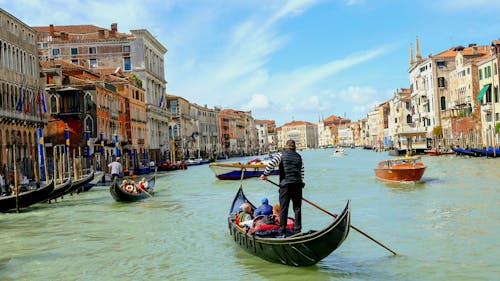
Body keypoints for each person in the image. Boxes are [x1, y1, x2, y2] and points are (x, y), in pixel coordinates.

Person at [261, 139, 304, 237]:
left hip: (285, 186)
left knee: (284, 208)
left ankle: (282, 231)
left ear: (286, 146)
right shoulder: (299, 157)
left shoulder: (281, 154)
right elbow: (302, 173)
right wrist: (300, 183)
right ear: (294, 147)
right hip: (298, 185)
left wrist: (265, 174)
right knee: (297, 209)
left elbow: (271, 164)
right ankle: (297, 231)